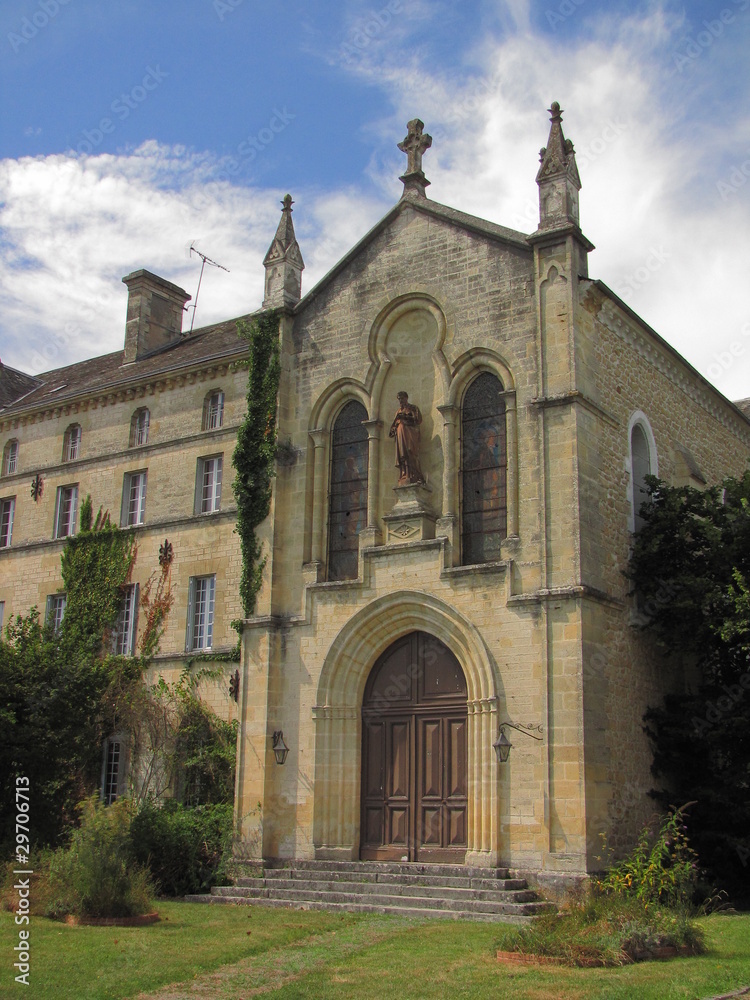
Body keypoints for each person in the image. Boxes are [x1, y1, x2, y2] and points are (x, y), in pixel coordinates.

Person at [389, 391, 425, 485]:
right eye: (399, 399)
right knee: (403, 455)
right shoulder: (398, 411)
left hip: (410, 434)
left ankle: (414, 475)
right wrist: (394, 429)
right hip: (400, 435)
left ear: (406, 398)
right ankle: (404, 475)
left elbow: (418, 420)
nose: (400, 400)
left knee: (410, 453)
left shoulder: (413, 408)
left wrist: (405, 417)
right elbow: (393, 426)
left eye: (402, 398)